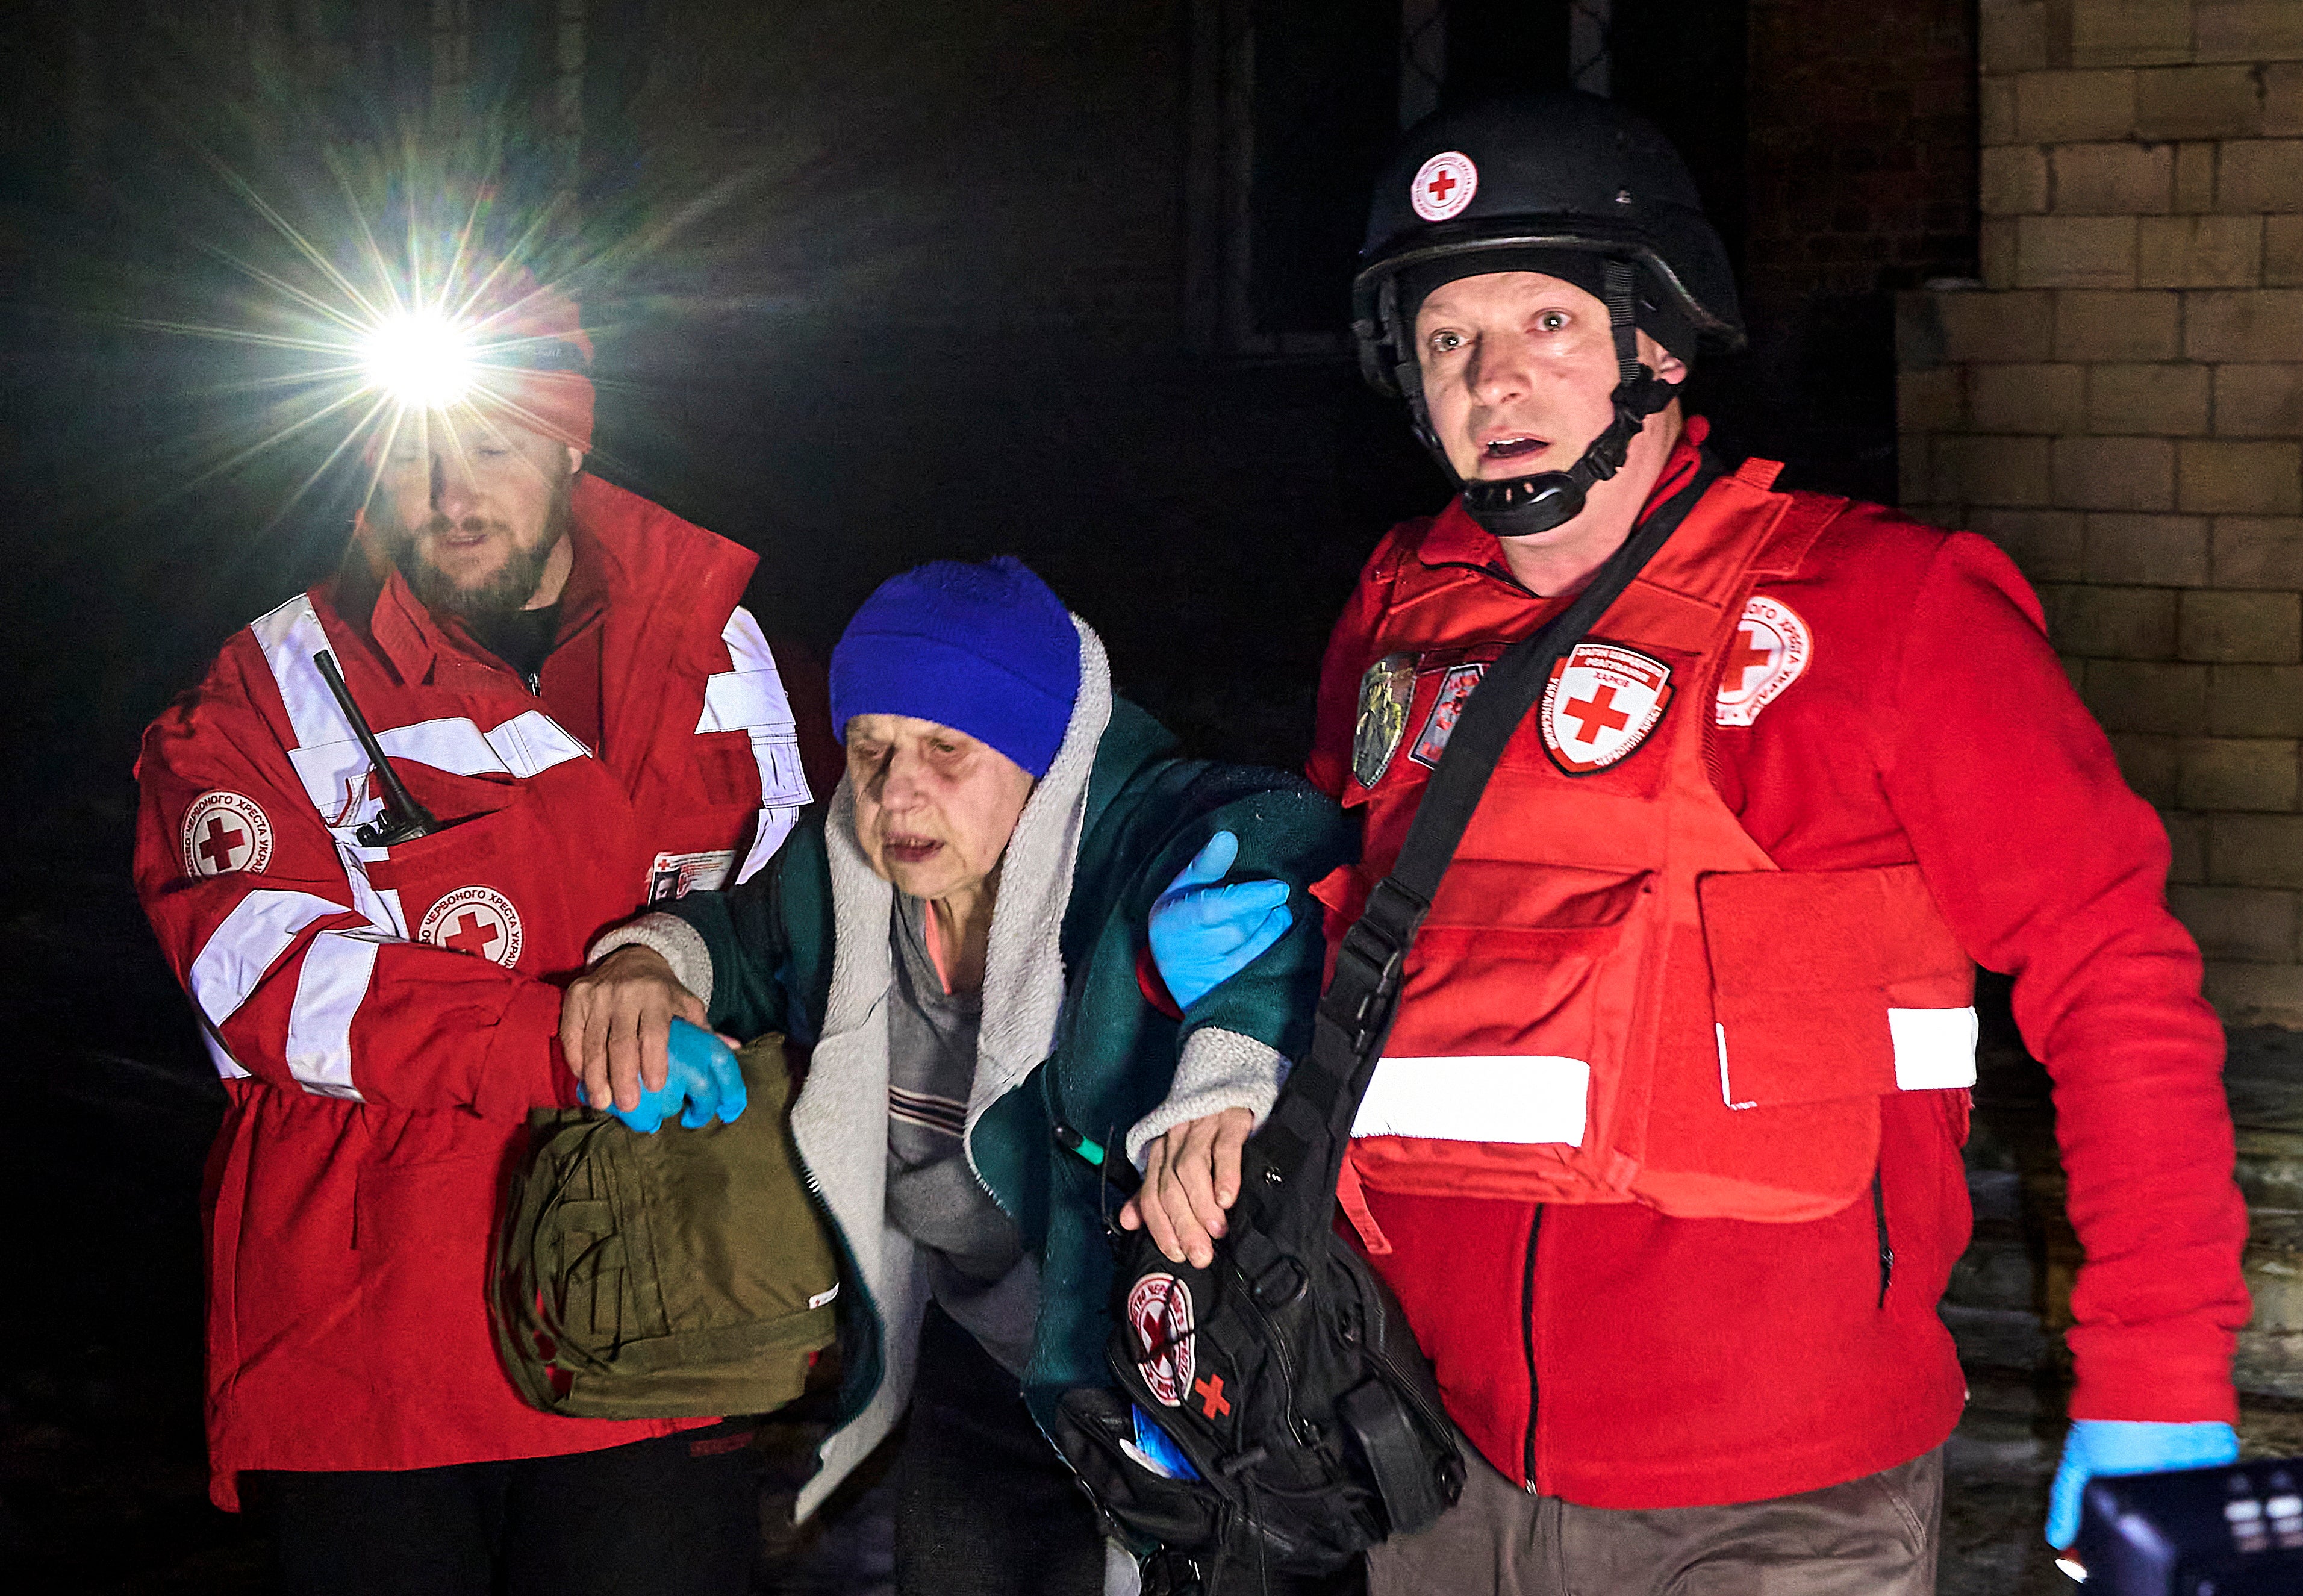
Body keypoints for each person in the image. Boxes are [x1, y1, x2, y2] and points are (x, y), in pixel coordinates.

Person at [1304, 93, 2251, 1592]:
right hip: (1437, 1463)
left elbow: (2116, 980)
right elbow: (1345, 943)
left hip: (1774, 1500)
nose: (1492, 378)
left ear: (1659, 343)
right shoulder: (1401, 616)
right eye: (1444, 337)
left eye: (1547, 319)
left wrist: (2160, 1376)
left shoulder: (1887, 611)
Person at [131, 261, 833, 1594]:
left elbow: (807, 898)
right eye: (413, 454)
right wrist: (576, 1040)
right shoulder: (268, 687)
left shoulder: (724, 649)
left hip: (657, 1312)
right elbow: (260, 970)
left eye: (494, 445)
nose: (452, 493)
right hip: (380, 1344)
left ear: (573, 439)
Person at [564, 556, 1354, 1596]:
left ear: (1039, 753)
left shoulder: (1127, 842)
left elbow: (1274, 832)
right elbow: (737, 937)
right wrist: (647, 960)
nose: (898, 793)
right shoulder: (840, 879)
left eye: (947, 748)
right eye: (872, 748)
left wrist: (1226, 1055)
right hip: (976, 1354)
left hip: (1150, 1364)